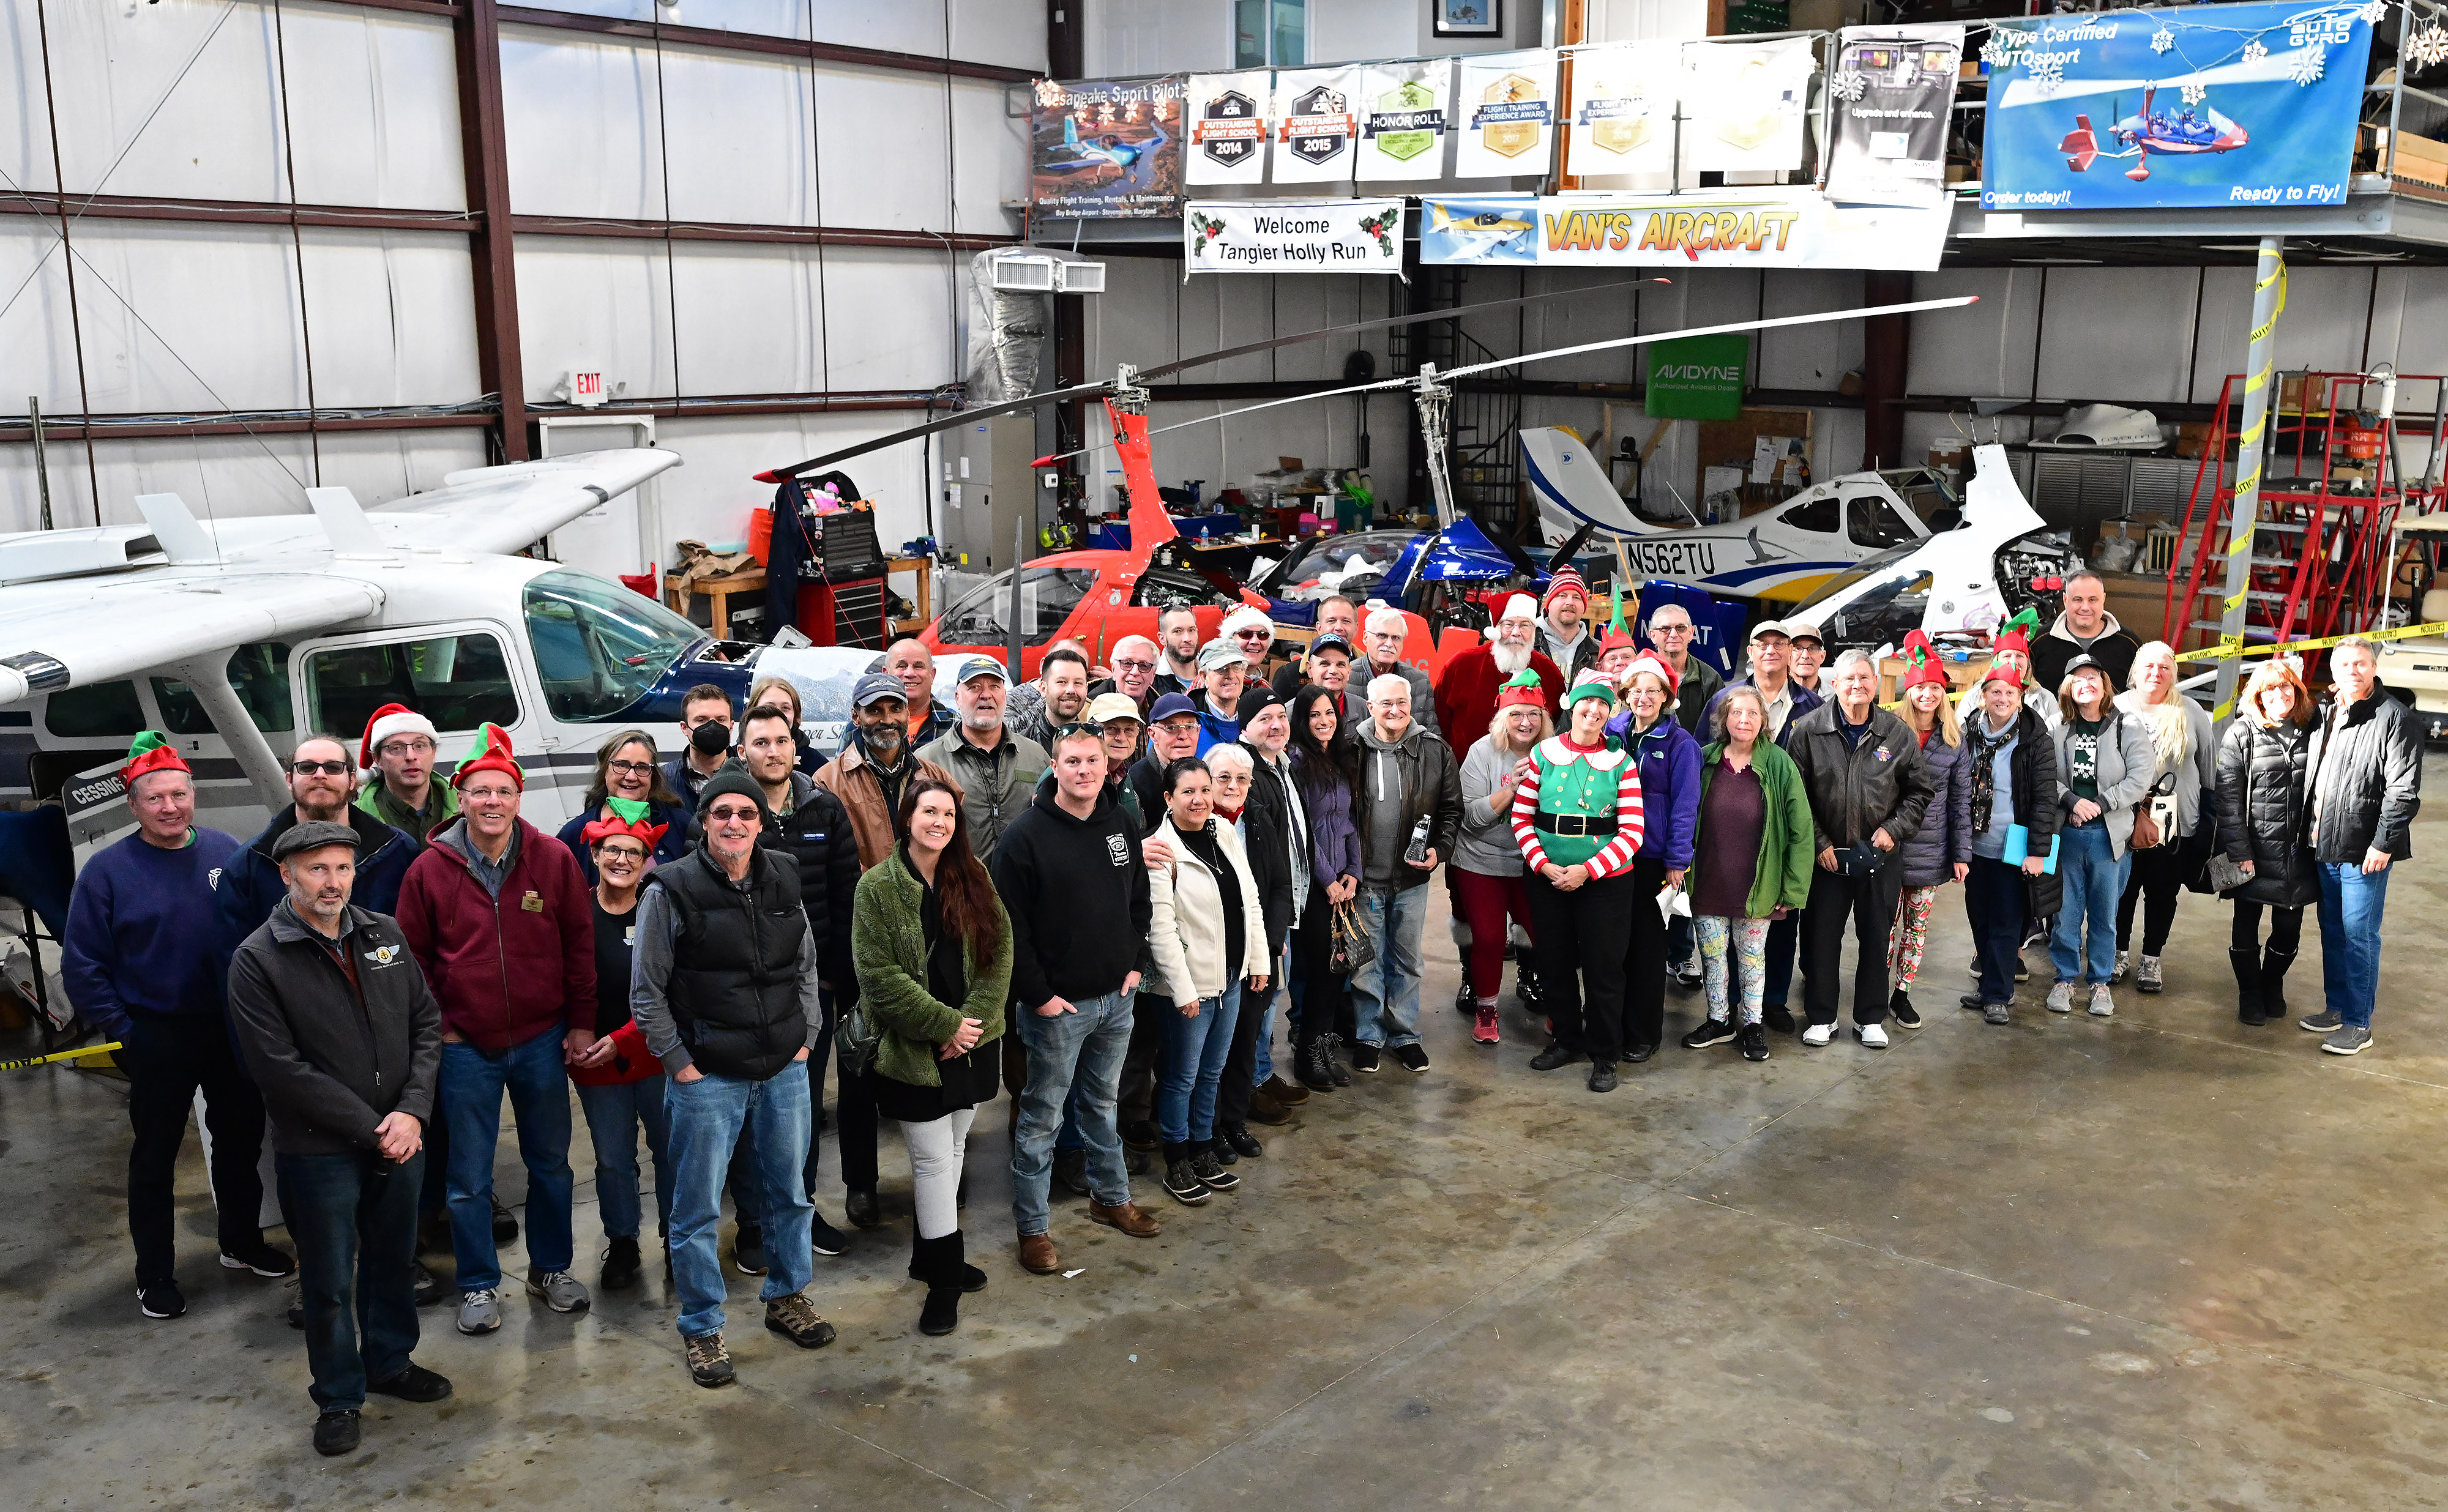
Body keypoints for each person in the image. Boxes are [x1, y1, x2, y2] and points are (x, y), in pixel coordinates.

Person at [225, 820, 449, 1459]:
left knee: (392, 1257)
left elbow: (426, 1024)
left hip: (400, 1137)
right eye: (317, 869)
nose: (333, 882)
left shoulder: (384, 932)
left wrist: (411, 1112)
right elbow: (278, 1067)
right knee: (327, 1278)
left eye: (343, 868)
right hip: (320, 1148)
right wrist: (372, 1126)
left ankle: (390, 1362)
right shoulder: (258, 959)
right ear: (286, 874)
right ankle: (340, 1396)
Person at [63, 734, 283, 1321]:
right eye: (155, 798)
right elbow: (82, 964)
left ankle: (242, 1243)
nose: (169, 807)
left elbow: (259, 934)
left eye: (179, 794)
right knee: (155, 1156)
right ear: (133, 805)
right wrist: (124, 1029)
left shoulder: (224, 850)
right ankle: (155, 1274)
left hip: (229, 1024)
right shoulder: (107, 873)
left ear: (193, 795)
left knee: (241, 1138)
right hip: (154, 1031)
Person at [629, 769, 837, 1386]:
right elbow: (646, 992)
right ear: (704, 820)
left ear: (759, 820)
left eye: (745, 812)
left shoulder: (783, 874)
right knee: (695, 1211)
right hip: (708, 1076)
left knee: (790, 1196)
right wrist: (680, 1064)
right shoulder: (669, 889)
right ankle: (702, 1326)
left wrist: (807, 1037)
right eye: (721, 811)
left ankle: (787, 1297)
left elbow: (805, 963)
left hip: (782, 1068)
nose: (734, 823)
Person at [394, 724, 596, 1336]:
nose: (491, 802)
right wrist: (445, 1029)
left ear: (518, 795)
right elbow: (413, 961)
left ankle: (550, 1269)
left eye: (503, 791)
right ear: (460, 797)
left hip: (540, 1038)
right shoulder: (428, 870)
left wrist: (581, 1021)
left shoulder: (552, 859)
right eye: (479, 791)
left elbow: (579, 945)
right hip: (466, 1048)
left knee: (552, 1164)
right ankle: (479, 1283)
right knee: (468, 1178)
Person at [993, 726, 1165, 1275]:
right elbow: (1007, 928)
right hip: (1057, 1009)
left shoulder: (1120, 822)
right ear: (1056, 767)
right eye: (1074, 761)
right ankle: (1033, 1228)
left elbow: (1140, 900)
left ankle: (1110, 1198)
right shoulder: (1024, 837)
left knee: (1102, 1105)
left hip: (1116, 1000)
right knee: (1042, 1118)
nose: (1085, 770)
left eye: (1094, 760)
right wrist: (1038, 995)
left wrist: (1136, 965)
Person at [851, 777, 1012, 1336]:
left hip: (971, 1045)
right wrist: (944, 1024)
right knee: (934, 1161)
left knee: (958, 1144)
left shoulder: (974, 875)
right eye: (928, 812)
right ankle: (944, 1278)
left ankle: (929, 1254)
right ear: (907, 818)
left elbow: (1000, 953)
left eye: (948, 813)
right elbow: (877, 977)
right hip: (913, 1049)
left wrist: (971, 1027)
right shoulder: (876, 887)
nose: (939, 822)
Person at [736, 701, 862, 1246]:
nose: (773, 751)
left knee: (804, 1109)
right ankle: (754, 1225)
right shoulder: (728, 813)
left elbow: (845, 893)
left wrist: (833, 977)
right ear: (743, 752)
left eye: (781, 740)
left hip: (811, 994)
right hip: (744, 996)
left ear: (795, 745)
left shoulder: (824, 809)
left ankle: (801, 1212)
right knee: (746, 1115)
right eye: (761, 742)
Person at [1785, 650, 1936, 1049]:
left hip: (1880, 857)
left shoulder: (1896, 733)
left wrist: (1893, 830)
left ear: (1876, 684)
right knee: (1820, 938)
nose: (1858, 686)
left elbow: (1919, 792)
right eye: (1850, 679)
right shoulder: (1808, 731)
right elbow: (1795, 798)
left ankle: (1871, 1017)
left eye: (1865, 679)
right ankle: (1821, 1016)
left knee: (1876, 937)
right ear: (1835, 684)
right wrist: (1819, 845)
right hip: (1826, 859)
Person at [1515, 670, 1649, 1090]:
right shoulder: (1544, 754)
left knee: (1603, 969)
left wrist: (1588, 870)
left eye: (1603, 706)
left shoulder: (1622, 763)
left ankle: (1604, 1053)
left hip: (1605, 883)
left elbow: (1632, 832)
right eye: (1588, 703)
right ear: (1572, 706)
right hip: (1547, 877)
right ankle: (1566, 1040)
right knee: (1553, 963)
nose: (1593, 711)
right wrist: (1543, 864)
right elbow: (1521, 817)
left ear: (1611, 713)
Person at [1144, 756, 1267, 1205]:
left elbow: (1248, 898)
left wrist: (1258, 960)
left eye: (1204, 789)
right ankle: (1176, 1157)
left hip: (1231, 977)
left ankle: (1202, 1146)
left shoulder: (1224, 832)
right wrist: (1182, 990)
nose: (1199, 799)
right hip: (1190, 989)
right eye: (1188, 792)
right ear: (1168, 798)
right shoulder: (1162, 849)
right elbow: (1161, 928)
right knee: (1182, 1075)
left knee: (1212, 1071)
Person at [564, 813, 672, 1290]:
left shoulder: (660, 908)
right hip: (594, 1060)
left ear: (647, 860)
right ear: (594, 855)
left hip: (655, 1052)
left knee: (670, 1149)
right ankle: (623, 1241)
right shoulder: (576, 912)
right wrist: (577, 1030)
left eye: (632, 852)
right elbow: (564, 981)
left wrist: (625, 1038)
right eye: (612, 849)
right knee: (612, 1158)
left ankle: (678, 1235)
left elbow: (669, 987)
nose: (622, 859)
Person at [2299, 636, 2422, 1056]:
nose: (2352, 670)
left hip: (2364, 850)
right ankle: (2337, 1007)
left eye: (2361, 663)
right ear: (2332, 672)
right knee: (2333, 931)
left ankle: (2358, 1024)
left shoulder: (2394, 718)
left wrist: (2383, 843)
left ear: (2373, 668)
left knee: (2359, 936)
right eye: (2344, 664)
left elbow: (2403, 792)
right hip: (2325, 842)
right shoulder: (2330, 712)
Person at [1677, 687, 1812, 1062]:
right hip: (1709, 880)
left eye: (1753, 714)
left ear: (1763, 722)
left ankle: (1753, 1024)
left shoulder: (1779, 764)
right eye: (1737, 713)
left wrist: (1794, 887)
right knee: (1712, 956)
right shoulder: (1703, 761)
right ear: (1724, 719)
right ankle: (1719, 1020)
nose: (1744, 720)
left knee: (1752, 958)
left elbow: (1801, 830)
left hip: (1759, 883)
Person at [1703, 620, 1824, 1031]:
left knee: (1777, 929)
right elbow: (1702, 761)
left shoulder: (1813, 705)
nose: (1772, 650)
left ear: (1792, 652)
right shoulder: (1723, 699)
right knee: (1722, 940)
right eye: (1762, 643)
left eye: (1781, 643)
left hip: (1780, 835)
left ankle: (1771, 1003)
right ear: (1750, 650)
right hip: (1724, 846)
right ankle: (1725, 1010)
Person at [1348, 672, 1461, 1075]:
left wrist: (1439, 850)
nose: (1395, 710)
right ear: (1370, 707)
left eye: (1402, 702)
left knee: (1408, 959)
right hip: (1363, 880)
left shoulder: (1434, 750)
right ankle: (1368, 1034)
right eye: (1386, 703)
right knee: (1366, 960)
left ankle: (1404, 1033)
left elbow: (1450, 810)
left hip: (1412, 879)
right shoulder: (1352, 749)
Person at [2047, 656, 2154, 1018]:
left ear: (2105, 684)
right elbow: (2044, 774)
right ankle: (2064, 978)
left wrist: (2102, 803)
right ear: (2067, 688)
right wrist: (2073, 802)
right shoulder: (2057, 727)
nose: (2085, 684)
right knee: (2065, 913)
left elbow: (2141, 775)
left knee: (2106, 915)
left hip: (2110, 838)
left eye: (2092, 677)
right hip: (2068, 835)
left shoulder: (2127, 726)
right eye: (2077, 679)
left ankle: (2100, 983)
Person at [2215, 658, 2318, 1027]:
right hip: (2254, 852)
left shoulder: (2313, 730)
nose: (2280, 694)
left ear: (2299, 691)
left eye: (2287, 686)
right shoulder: (2241, 734)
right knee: (2246, 922)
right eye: (2271, 688)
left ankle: (2272, 983)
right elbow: (2228, 799)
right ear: (2257, 695)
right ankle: (2249, 992)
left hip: (2299, 854)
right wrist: (2240, 851)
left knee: (2288, 930)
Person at [1957, 667, 2059, 1024]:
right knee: (1979, 917)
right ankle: (1988, 985)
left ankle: (1999, 994)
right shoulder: (1968, 733)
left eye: (2010, 693)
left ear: (2021, 698)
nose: (2002, 700)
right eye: (1995, 692)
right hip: (1974, 845)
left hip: (2012, 847)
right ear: (1984, 695)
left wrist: (2037, 851)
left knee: (2006, 919)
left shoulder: (2036, 740)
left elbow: (2046, 799)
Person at [2111, 641, 2215, 993]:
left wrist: (2206, 822)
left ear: (2174, 673)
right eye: (2149, 667)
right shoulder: (2116, 708)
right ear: (2135, 673)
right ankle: (2117, 952)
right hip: (2121, 815)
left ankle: (2151, 959)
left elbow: (2209, 771)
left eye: (2165, 667)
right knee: (2122, 891)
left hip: (2172, 820)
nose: (2156, 674)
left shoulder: (2191, 712)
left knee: (2161, 892)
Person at [1228, 691, 1310, 1120]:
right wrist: (1269, 926)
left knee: (1271, 996)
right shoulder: (1248, 773)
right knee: (1258, 1002)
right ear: (1245, 727)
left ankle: (1261, 1071)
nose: (1277, 725)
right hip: (1263, 917)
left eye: (1282, 716)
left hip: (1285, 907)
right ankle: (1250, 1085)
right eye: (1265, 718)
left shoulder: (1281, 765)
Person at [1616, 652, 1701, 1063]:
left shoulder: (1681, 744)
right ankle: (1611, 1022)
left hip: (1652, 858)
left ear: (1666, 697)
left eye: (1653, 690)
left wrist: (1676, 861)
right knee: (1615, 945)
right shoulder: (1613, 731)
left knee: (1648, 949)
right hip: (1612, 854)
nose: (1644, 697)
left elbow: (1686, 806)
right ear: (1626, 694)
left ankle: (1644, 1032)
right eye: (1637, 690)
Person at [1454, 677, 1548, 1045]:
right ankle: (1487, 1009)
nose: (1526, 723)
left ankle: (1559, 1008)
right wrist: (1511, 790)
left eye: (1534, 715)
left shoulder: (1555, 751)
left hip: (1532, 861)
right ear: (1503, 717)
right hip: (1481, 859)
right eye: (1517, 715)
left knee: (1546, 934)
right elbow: (1471, 816)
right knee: (1490, 939)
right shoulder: (1482, 752)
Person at [1884, 642, 1972, 1027]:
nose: (1928, 695)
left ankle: (1902, 993)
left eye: (1935, 688)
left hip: (1932, 850)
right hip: (1888, 846)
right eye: (1921, 687)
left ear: (1943, 694)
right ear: (1909, 690)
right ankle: (1874, 986)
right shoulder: (1889, 733)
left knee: (1916, 928)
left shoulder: (1954, 741)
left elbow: (1960, 800)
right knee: (1883, 924)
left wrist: (1961, 853)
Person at [1288, 685, 1362, 1093]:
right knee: (1320, 969)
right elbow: (1304, 833)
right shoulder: (1298, 763)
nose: (1324, 721)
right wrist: (1328, 880)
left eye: (1329, 713)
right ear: (1302, 719)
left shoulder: (1337, 759)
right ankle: (1307, 1056)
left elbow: (1349, 821)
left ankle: (1322, 1044)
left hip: (1342, 883)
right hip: (1316, 886)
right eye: (1315, 714)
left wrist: (1354, 870)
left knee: (1338, 968)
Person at [816, 673, 958, 872]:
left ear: (908, 714)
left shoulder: (937, 777)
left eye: (896, 709)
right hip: (863, 899)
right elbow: (828, 859)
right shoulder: (828, 782)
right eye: (874, 711)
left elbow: (956, 847)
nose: (887, 720)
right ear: (856, 717)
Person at [919, 655, 1050, 860]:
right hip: (957, 888)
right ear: (957, 698)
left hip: (1024, 887)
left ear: (1005, 695)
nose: (986, 695)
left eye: (995, 686)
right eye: (974, 687)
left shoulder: (1036, 756)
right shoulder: (928, 762)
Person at [556, 730, 694, 884]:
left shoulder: (681, 825)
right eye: (621, 765)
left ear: (653, 775)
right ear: (605, 771)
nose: (631, 776)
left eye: (642, 767)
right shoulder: (574, 835)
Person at [1435, 594, 1564, 751]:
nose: (1516, 633)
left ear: (1533, 631)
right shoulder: (1461, 666)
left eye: (1525, 625)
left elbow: (1558, 729)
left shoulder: (1549, 673)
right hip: (1463, 770)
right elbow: (1439, 723)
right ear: (1495, 629)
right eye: (1508, 625)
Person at [356, 702, 457, 843]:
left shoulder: (466, 809)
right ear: (377, 759)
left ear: (433, 753)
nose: (410, 756)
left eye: (420, 746)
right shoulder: (356, 821)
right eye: (396, 748)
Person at [2029, 573, 2141, 693]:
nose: (2085, 607)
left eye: (2092, 600)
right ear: (2065, 600)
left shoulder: (2129, 644)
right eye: (2078, 600)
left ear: (2103, 599)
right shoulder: (2038, 642)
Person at [1647, 603, 1724, 737]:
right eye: (1665, 629)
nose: (1673, 634)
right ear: (1653, 635)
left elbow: (1717, 732)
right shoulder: (1639, 676)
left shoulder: (1710, 679)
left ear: (1691, 633)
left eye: (1681, 628)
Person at [1362, 606, 1440, 736]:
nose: (1389, 644)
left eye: (1396, 638)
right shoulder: (1346, 680)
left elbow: (1432, 736)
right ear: (1366, 638)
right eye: (1382, 636)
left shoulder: (1420, 683)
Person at [1132, 692, 1205, 821]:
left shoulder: (1204, 775)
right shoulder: (1136, 781)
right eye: (1172, 728)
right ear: (1153, 734)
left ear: (1198, 731)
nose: (1183, 736)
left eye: (1190, 727)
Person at [1272, 596, 1361, 699]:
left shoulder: (1369, 672)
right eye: (1331, 621)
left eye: (1346, 621)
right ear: (1319, 627)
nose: (1339, 628)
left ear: (1356, 628)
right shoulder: (1290, 676)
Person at [666, 684, 737, 813]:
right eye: (702, 720)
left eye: (720, 720)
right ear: (684, 728)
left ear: (731, 726)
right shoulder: (664, 782)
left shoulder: (749, 776)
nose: (712, 726)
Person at [1007, 646, 1091, 751]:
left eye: (1078, 683)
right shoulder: (1019, 749)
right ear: (1043, 689)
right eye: (1062, 682)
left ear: (1086, 689)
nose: (1071, 690)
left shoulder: (1095, 744)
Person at [878, 637, 954, 752]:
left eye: (918, 666)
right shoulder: (864, 726)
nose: (910, 673)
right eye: (902, 666)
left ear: (932, 675)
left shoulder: (956, 726)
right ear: (886, 674)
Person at [747, 676, 824, 776]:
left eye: (785, 708)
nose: (778, 714)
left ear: (795, 714)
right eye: (769, 707)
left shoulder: (817, 765)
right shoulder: (733, 761)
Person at [1536, 565, 1600, 683]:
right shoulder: (1528, 645)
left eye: (1577, 597)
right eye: (1562, 596)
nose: (1570, 602)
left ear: (1584, 608)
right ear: (1548, 604)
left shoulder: (1598, 652)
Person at [1191, 640, 1248, 754]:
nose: (1231, 675)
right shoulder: (1189, 719)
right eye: (1221, 668)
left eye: (1237, 666)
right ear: (1204, 676)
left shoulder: (1257, 714)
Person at [1297, 631, 1362, 727]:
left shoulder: (1365, 711)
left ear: (1349, 671)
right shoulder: (1291, 714)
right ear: (1310, 669)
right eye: (1325, 664)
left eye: (1340, 664)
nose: (1333, 671)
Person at [1153, 606, 1203, 695]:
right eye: (1177, 631)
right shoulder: (1151, 681)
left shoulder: (1214, 673)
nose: (1187, 639)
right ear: (1162, 638)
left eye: (1191, 630)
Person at [1108, 634, 1163, 713]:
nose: (1135, 672)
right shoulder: (1088, 709)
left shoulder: (1164, 714)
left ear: (1153, 675)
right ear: (1113, 669)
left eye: (1144, 666)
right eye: (1127, 663)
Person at [1220, 603, 1277, 674]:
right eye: (1246, 634)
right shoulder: (1214, 684)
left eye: (1262, 635)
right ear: (1228, 642)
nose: (1255, 641)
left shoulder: (1264, 685)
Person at [1786, 622, 1828, 698]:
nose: (1805, 656)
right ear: (1787, 655)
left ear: (1822, 657)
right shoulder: (1774, 696)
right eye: (1798, 648)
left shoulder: (1837, 698)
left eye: (1812, 649)